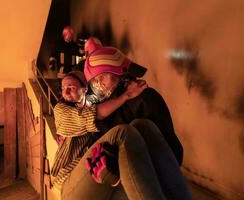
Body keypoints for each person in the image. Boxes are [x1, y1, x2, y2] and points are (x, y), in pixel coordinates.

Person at [57, 43, 191, 200]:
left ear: (119, 72)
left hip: (137, 177)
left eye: (102, 77)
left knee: (140, 126)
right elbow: (93, 123)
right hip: (75, 183)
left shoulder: (145, 98)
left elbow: (171, 155)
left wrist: (120, 163)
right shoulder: (67, 110)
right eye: (94, 82)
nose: (98, 86)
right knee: (125, 132)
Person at [51, 71, 148, 189]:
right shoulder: (60, 109)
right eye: (63, 88)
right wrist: (126, 95)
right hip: (66, 177)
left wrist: (131, 83)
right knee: (121, 133)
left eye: (71, 88)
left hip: (89, 170)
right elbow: (92, 115)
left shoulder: (92, 103)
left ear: (84, 89)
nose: (65, 92)